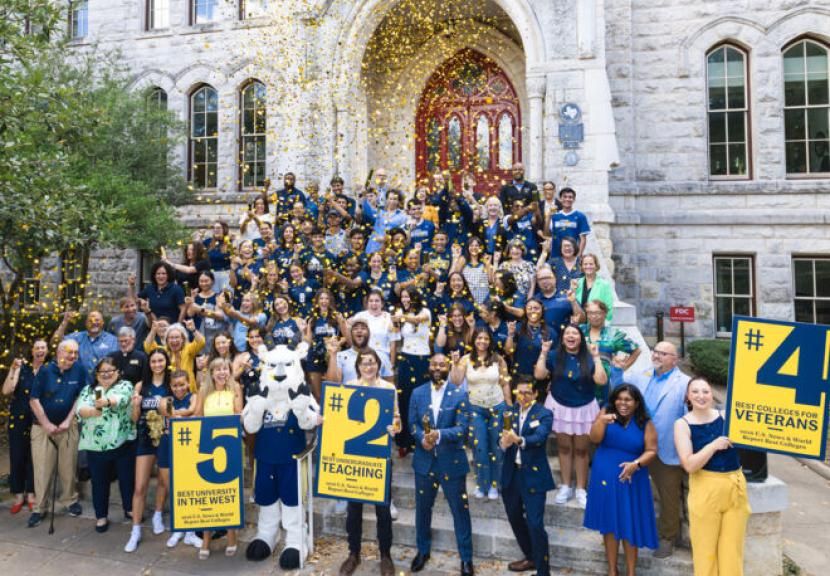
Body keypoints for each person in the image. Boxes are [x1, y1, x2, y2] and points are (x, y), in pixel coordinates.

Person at [675, 377, 750, 576]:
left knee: (732, 552)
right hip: (705, 488)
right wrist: (713, 446)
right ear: (688, 397)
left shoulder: (727, 417)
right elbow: (689, 465)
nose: (701, 396)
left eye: (706, 391)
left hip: (735, 486)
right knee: (705, 552)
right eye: (696, 392)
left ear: (712, 395)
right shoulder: (682, 425)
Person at [408, 354, 474, 576]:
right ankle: (422, 551)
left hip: (451, 462)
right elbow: (412, 424)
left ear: (448, 367)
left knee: (460, 511)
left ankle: (466, 558)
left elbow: (462, 429)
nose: (437, 367)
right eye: (434, 364)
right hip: (424, 463)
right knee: (422, 510)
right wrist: (421, 438)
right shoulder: (417, 393)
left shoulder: (460, 394)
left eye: (442, 364)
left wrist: (437, 435)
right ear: (429, 366)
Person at [584, 384, 659, 575]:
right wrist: (601, 421)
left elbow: (651, 450)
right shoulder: (606, 413)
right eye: (619, 398)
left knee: (629, 523)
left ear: (636, 403)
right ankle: (612, 570)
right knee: (609, 524)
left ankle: (631, 572)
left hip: (633, 478)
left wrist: (636, 464)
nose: (622, 403)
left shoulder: (645, 423)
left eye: (628, 400)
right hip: (605, 476)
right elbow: (594, 438)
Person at [338, 349, 400, 576]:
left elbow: (397, 418)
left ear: (378, 365)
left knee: (383, 510)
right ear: (358, 366)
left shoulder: (388, 388)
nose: (368, 367)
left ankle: (385, 555)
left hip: (379, 456)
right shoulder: (349, 387)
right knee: (353, 509)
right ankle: (353, 554)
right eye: (364, 363)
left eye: (372, 362)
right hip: (355, 456)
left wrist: (395, 427)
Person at [626, 341, 690, 558]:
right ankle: (628, 530)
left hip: (666, 448)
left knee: (668, 495)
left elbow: (688, 418)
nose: (657, 356)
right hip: (638, 444)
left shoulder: (684, 383)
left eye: (664, 353)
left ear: (675, 359)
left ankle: (667, 538)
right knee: (630, 488)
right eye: (655, 351)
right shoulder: (642, 374)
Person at [535, 324, 607, 508]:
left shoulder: (589, 357)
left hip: (584, 407)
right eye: (567, 333)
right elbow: (539, 375)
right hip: (560, 406)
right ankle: (566, 485)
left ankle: (581, 489)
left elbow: (601, 380)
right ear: (563, 337)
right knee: (564, 448)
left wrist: (597, 357)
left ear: (581, 338)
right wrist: (543, 352)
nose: (571, 336)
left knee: (582, 451)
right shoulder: (554, 355)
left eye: (575, 333)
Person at [499, 376, 555, 576]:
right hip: (511, 474)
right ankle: (530, 556)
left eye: (527, 393)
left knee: (535, 524)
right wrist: (503, 444)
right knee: (514, 517)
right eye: (519, 392)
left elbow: (540, 437)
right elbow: (501, 438)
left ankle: (543, 571)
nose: (522, 397)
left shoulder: (544, 413)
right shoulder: (509, 412)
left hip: (534, 476)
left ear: (536, 394)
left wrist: (519, 439)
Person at [28, 339, 87, 527]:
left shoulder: (79, 369)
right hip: (42, 428)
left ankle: (70, 500)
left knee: (68, 467)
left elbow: (82, 395)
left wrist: (69, 420)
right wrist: (46, 424)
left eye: (76, 353)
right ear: (60, 352)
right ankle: (40, 507)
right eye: (70, 352)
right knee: (42, 469)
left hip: (68, 427)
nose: (73, 357)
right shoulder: (45, 371)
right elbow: (34, 400)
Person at [449, 328, 512, 499]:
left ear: (490, 341)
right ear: (474, 340)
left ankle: (494, 484)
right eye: (479, 338)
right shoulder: (465, 359)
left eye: (485, 338)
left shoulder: (498, 359)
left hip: (497, 407)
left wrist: (509, 406)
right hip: (475, 408)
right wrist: (454, 364)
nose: (482, 341)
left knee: (496, 447)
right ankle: (481, 483)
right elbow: (456, 381)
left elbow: (505, 383)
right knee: (480, 447)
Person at [76, 357, 136, 533]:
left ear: (118, 372)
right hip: (96, 446)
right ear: (97, 374)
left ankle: (129, 508)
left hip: (122, 442)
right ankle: (101, 516)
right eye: (103, 371)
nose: (107, 374)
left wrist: (107, 402)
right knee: (99, 482)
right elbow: (80, 410)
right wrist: (92, 411)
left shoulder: (125, 385)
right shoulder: (89, 390)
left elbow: (123, 399)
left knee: (126, 479)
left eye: (111, 370)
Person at [125, 348, 173, 552]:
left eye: (161, 360)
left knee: (164, 481)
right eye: (153, 361)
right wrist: (136, 406)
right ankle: (135, 530)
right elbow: (134, 418)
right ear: (149, 364)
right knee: (140, 486)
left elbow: (173, 414)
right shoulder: (140, 386)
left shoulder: (171, 385)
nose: (157, 364)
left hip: (164, 438)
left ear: (166, 362)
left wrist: (167, 412)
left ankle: (157, 514)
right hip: (144, 438)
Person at [196, 357, 244, 559]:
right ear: (211, 373)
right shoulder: (203, 391)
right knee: (209, 493)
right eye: (217, 369)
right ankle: (206, 537)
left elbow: (239, 414)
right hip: (208, 447)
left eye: (225, 369)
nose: (222, 372)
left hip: (229, 445)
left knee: (229, 491)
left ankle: (231, 536)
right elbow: (197, 415)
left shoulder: (235, 390)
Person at [2, 339, 47, 515]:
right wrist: (13, 369)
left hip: (38, 418)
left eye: (43, 347)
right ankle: (18, 495)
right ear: (32, 351)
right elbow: (7, 390)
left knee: (34, 457)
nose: (40, 350)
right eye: (37, 347)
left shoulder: (49, 370)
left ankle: (31, 494)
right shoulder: (22, 368)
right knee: (17, 455)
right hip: (19, 417)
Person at [159, 370, 201, 549]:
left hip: (186, 447)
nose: (179, 388)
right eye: (175, 385)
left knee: (187, 488)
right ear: (170, 386)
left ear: (188, 383)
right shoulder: (165, 398)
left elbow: (192, 409)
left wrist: (179, 413)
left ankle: (190, 532)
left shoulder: (194, 396)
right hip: (167, 444)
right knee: (172, 488)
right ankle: (179, 529)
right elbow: (167, 412)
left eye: (182, 384)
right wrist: (181, 414)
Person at [393, 286, 432, 456]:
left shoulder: (425, 312)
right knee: (404, 399)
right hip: (406, 357)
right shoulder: (400, 312)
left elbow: (418, 320)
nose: (405, 300)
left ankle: (422, 438)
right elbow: (394, 332)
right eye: (403, 297)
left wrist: (401, 316)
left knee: (421, 400)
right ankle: (403, 441)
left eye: (408, 297)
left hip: (422, 359)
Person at [581, 300, 640, 403]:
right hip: (582, 381)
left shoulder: (613, 334)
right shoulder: (580, 331)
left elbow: (636, 350)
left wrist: (623, 367)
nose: (594, 316)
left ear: (605, 313)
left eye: (598, 313)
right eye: (590, 313)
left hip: (605, 385)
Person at [52, 309, 118, 379]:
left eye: (97, 320)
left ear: (102, 322)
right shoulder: (76, 337)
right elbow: (55, 342)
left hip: (104, 383)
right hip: (80, 384)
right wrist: (65, 322)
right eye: (90, 320)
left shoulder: (113, 340)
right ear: (86, 323)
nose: (93, 322)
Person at [550, 187, 590, 258]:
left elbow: (583, 239)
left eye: (570, 197)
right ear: (560, 199)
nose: (567, 199)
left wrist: (578, 256)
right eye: (564, 197)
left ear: (574, 199)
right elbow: (549, 235)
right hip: (556, 256)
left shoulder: (580, 216)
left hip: (573, 256)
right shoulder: (554, 216)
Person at [575, 254, 615, 322]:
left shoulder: (604, 285)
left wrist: (601, 325)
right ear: (581, 267)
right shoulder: (577, 283)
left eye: (591, 264)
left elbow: (609, 309)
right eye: (585, 264)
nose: (588, 266)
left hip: (597, 325)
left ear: (596, 266)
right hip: (579, 326)